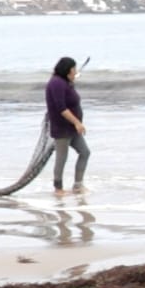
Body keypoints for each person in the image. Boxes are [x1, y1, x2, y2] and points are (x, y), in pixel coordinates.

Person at [45, 56, 89, 191]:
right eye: (73, 68)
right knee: (61, 159)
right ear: (67, 69)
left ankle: (78, 185)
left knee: (85, 152)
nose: (75, 71)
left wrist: (71, 81)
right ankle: (58, 189)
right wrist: (77, 123)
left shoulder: (65, 82)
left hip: (71, 128)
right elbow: (61, 108)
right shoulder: (56, 83)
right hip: (62, 128)